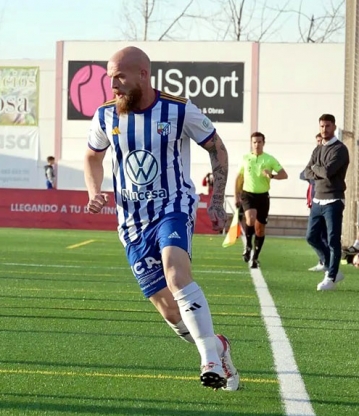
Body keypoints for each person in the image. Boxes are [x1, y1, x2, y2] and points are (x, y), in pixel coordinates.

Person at [84, 46, 239, 391]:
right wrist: (94, 191)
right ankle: (218, 345)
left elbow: (217, 147)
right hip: (132, 222)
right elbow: (92, 157)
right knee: (170, 311)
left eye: (120, 77)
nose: (114, 85)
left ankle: (209, 361)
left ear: (143, 74)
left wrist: (216, 200)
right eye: (110, 78)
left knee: (175, 273)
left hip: (174, 207)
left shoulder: (179, 110)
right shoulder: (105, 116)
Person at [303, 114, 350, 291]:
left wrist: (315, 168)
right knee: (311, 237)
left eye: (327, 126)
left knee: (333, 240)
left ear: (334, 127)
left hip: (333, 200)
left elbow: (328, 171)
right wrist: (316, 169)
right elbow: (306, 171)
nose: (324, 129)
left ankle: (330, 278)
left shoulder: (340, 149)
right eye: (322, 126)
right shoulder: (318, 149)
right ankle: (332, 267)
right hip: (317, 200)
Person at [234, 132, 288, 269]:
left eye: (259, 142)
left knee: (260, 229)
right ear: (251, 143)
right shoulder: (246, 158)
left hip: (263, 196)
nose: (256, 144)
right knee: (250, 219)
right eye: (254, 142)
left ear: (263, 143)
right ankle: (248, 246)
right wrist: (236, 196)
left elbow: (284, 174)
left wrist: (272, 175)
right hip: (248, 194)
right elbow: (239, 178)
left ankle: (255, 257)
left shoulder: (269, 159)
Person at [300, 133, 328, 272]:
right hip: (314, 203)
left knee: (323, 234)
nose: (319, 143)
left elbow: (326, 174)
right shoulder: (314, 156)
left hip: (325, 201)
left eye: (321, 140)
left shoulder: (328, 157)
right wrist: (313, 174)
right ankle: (323, 261)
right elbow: (303, 173)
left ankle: (327, 263)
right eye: (317, 141)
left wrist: (314, 172)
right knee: (313, 235)